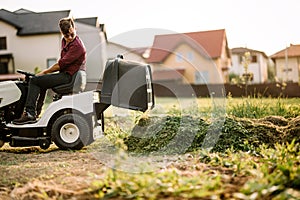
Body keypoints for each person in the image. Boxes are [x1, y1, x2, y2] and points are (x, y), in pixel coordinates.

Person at [13, 17, 86, 125]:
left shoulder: (77, 46)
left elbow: (60, 65)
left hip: (69, 76)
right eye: (66, 35)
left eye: (72, 34)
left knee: (35, 81)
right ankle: (35, 113)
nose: (70, 37)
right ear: (62, 33)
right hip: (66, 74)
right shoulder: (65, 41)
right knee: (40, 82)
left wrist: (44, 72)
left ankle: (29, 113)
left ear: (75, 28)